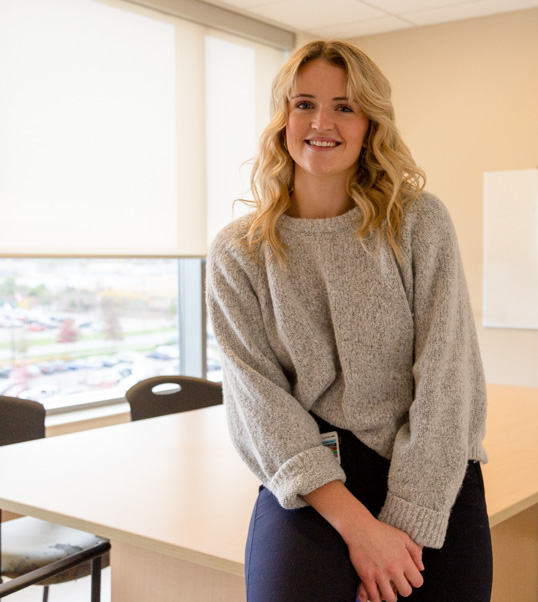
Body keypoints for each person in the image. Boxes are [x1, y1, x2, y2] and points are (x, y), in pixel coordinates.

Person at [206, 39, 491, 602]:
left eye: (345, 106)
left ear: (370, 124)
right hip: (313, 478)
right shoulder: (238, 252)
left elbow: (446, 381)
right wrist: (360, 530)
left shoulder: (417, 223)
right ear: (282, 118)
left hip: (430, 473)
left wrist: (399, 537)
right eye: (304, 103)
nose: (322, 122)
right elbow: (260, 406)